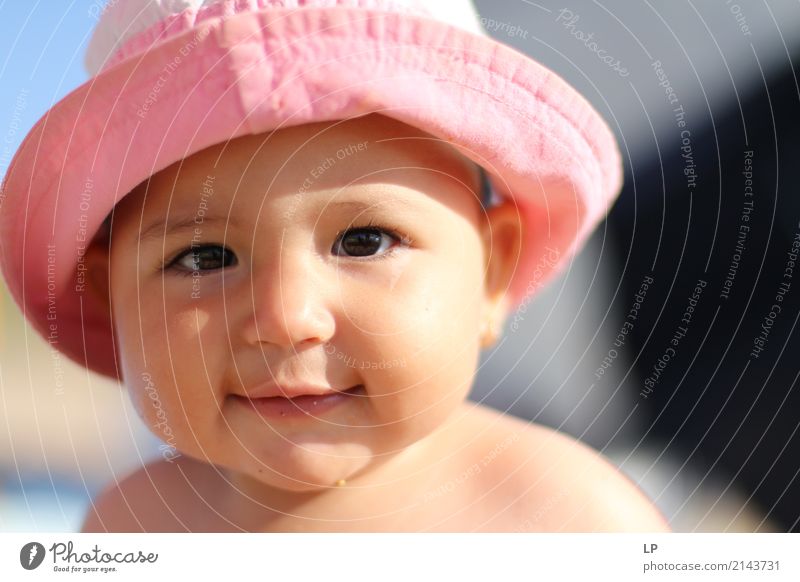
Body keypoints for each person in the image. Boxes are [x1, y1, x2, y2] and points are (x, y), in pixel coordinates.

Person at [0, 0, 670, 532]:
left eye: (364, 242)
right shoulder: (132, 526)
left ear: (491, 273)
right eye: (203, 257)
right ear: (113, 294)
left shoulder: (567, 520)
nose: (288, 318)